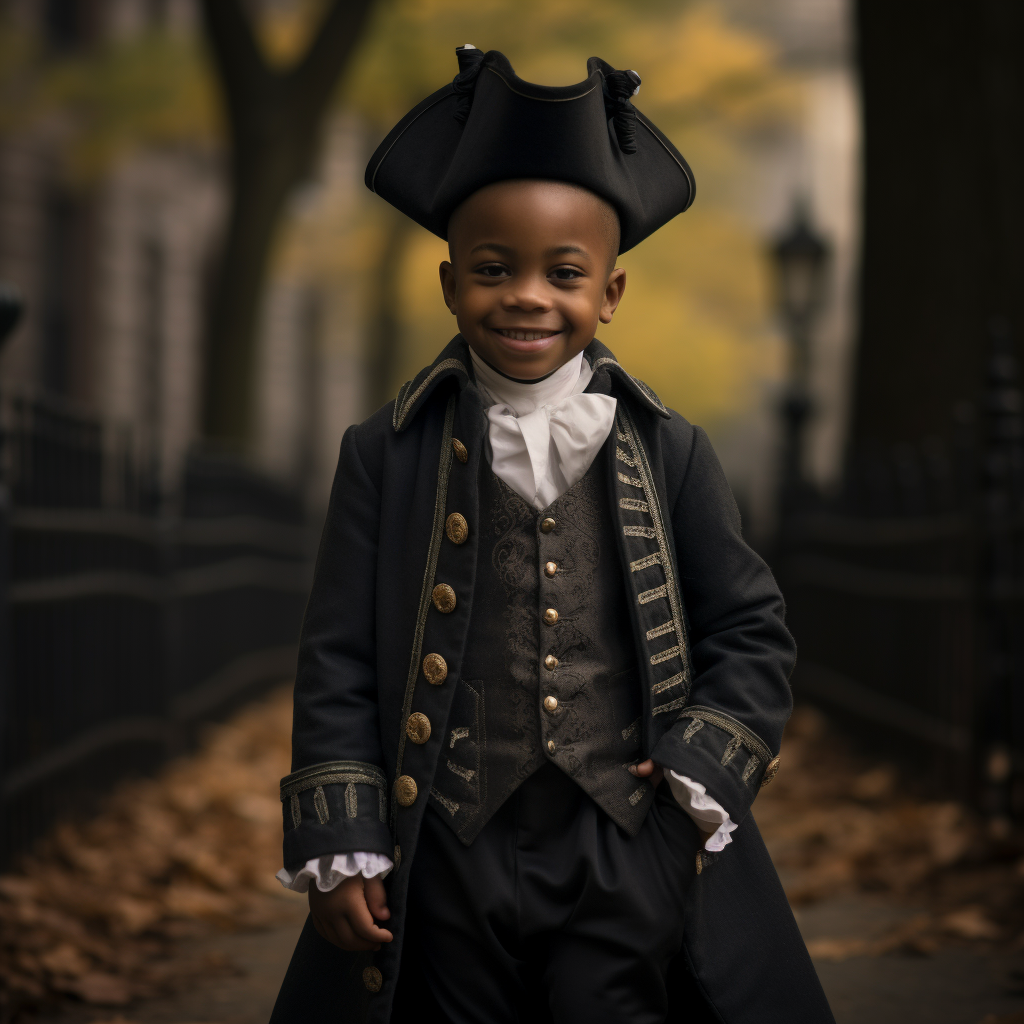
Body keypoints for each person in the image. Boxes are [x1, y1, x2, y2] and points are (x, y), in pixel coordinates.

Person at [269, 47, 834, 1024]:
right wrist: (342, 837)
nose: (527, 294)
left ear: (608, 294)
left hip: (621, 842)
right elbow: (338, 661)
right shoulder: (382, 454)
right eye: (494, 269)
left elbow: (751, 630)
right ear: (451, 284)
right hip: (444, 844)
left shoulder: (673, 452)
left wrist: (697, 773)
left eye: (562, 273)